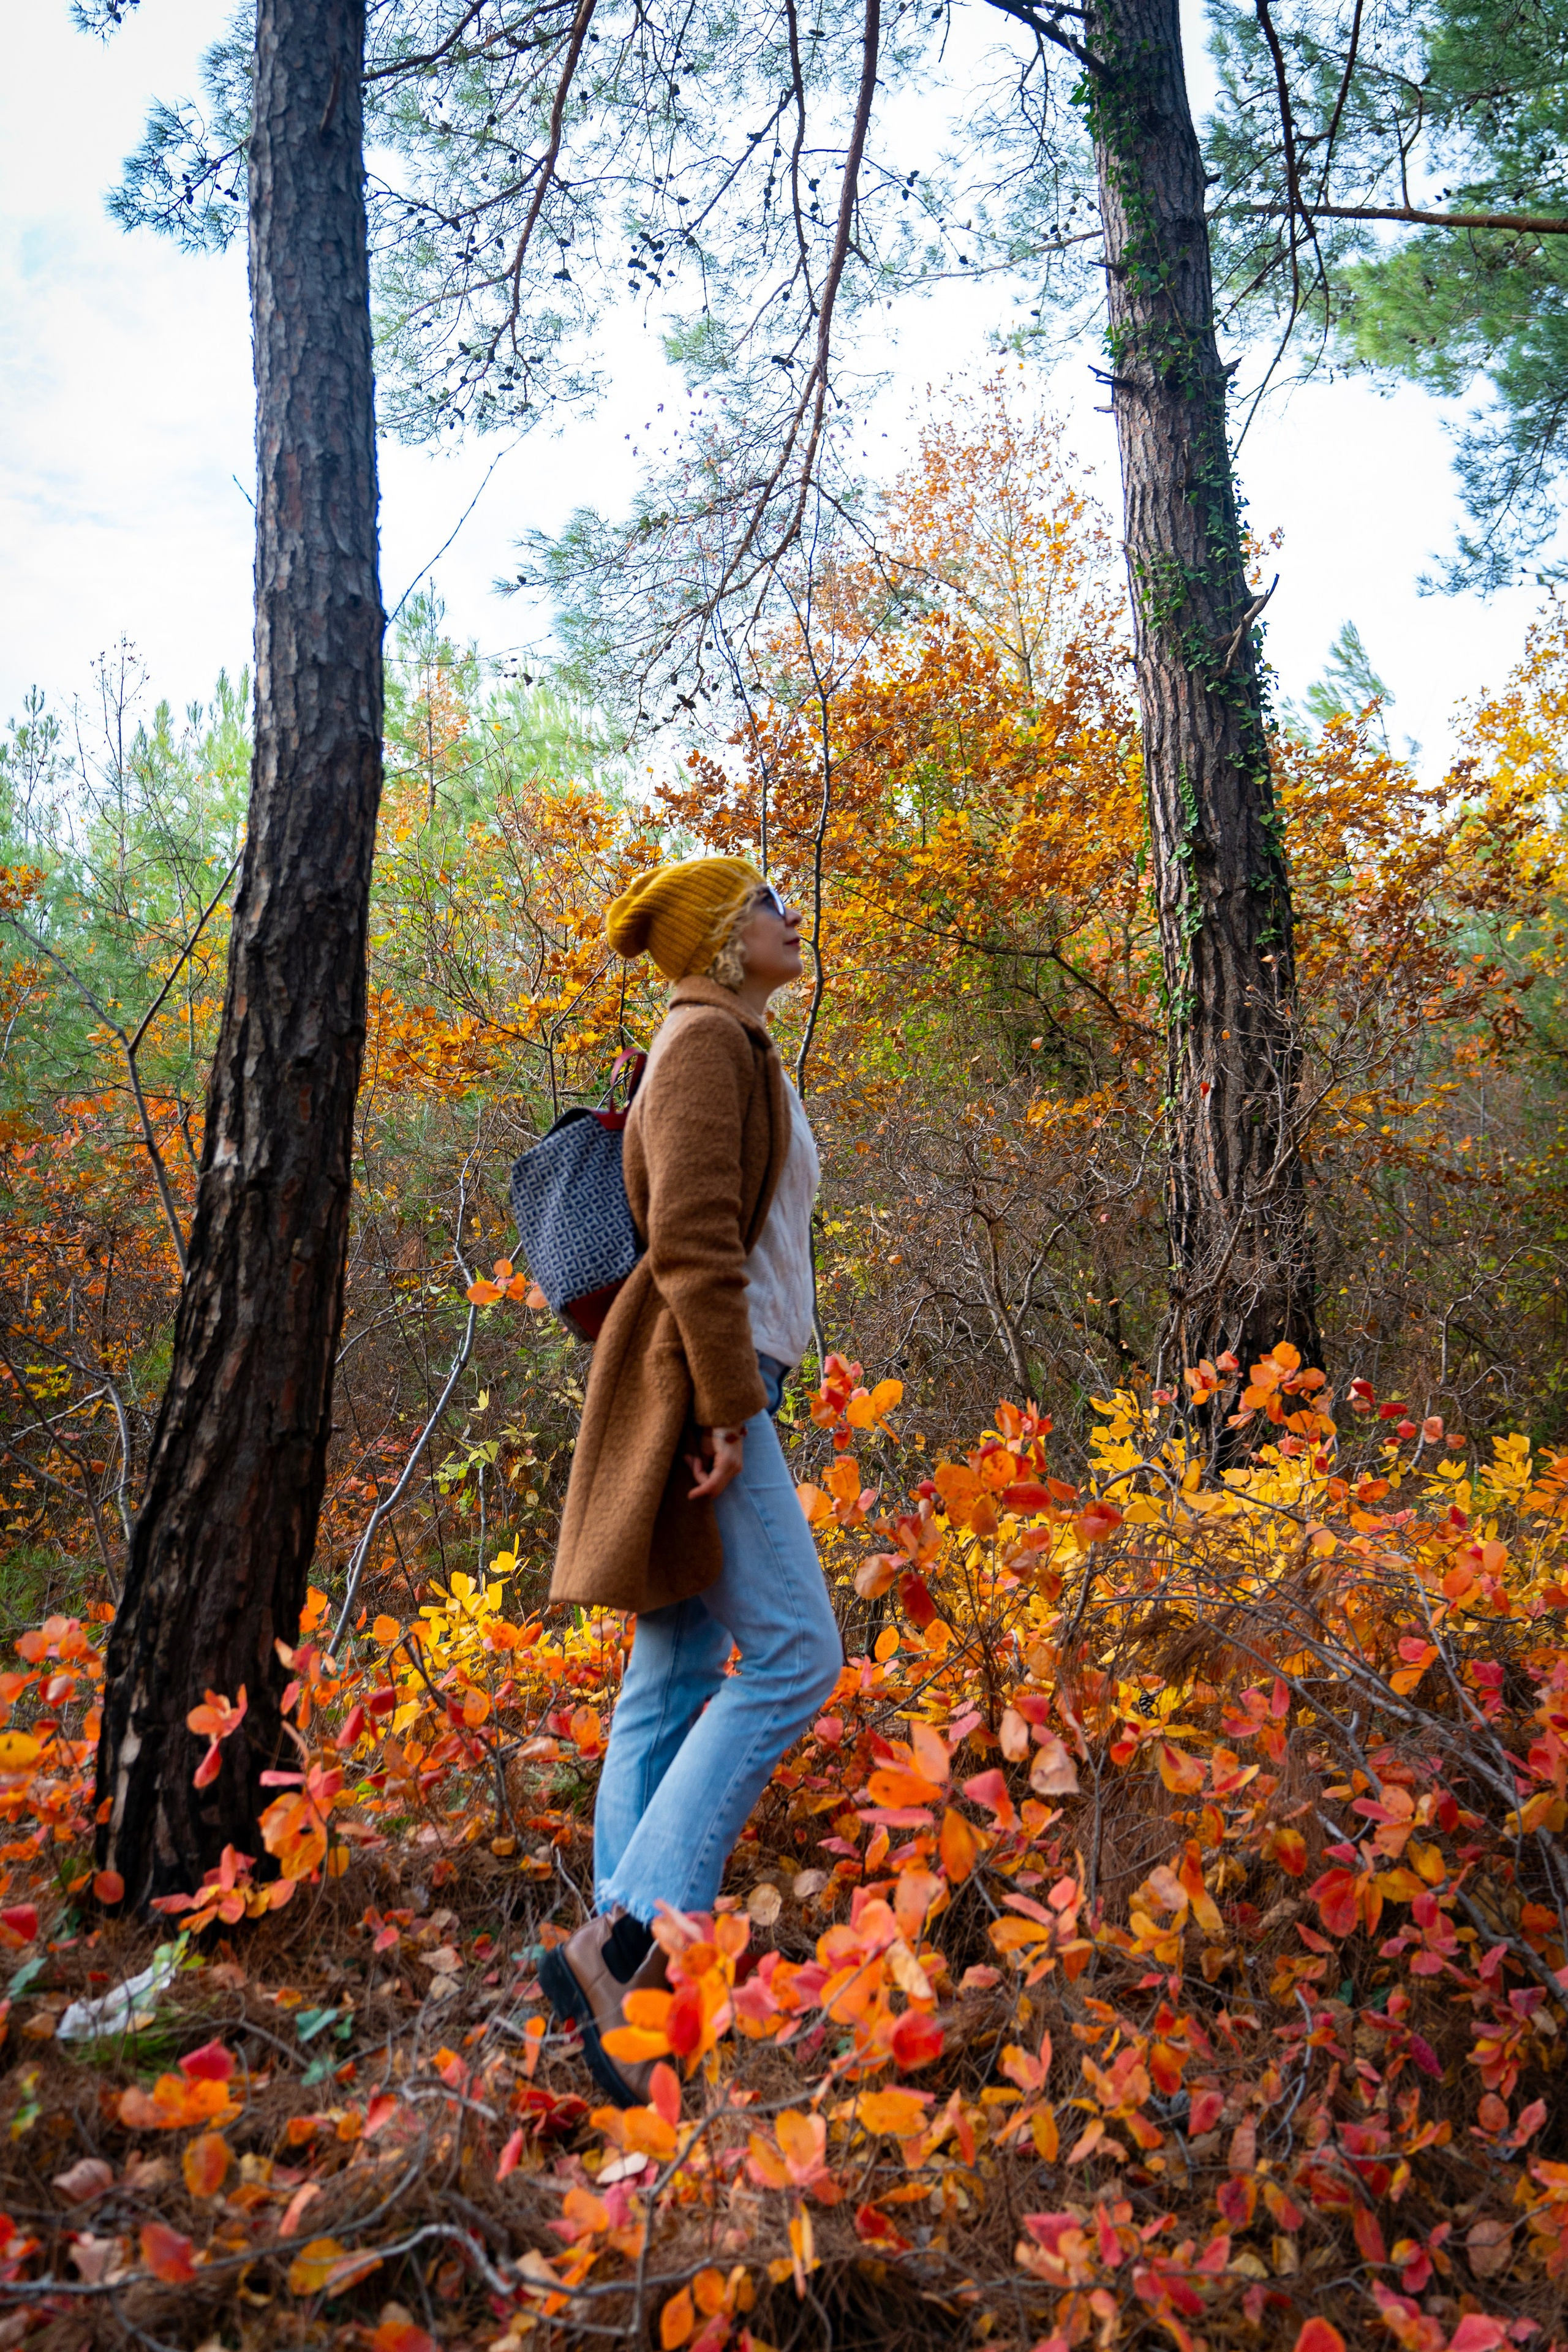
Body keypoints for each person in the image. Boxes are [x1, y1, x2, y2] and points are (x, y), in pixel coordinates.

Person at [537, 855, 842, 2105]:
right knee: (794, 1655)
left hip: (693, 1382)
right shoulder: (708, 1043)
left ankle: (625, 2007)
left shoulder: (723, 1041)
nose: (790, 918)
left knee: (667, 1670)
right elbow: (692, 1240)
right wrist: (727, 1408)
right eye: (769, 905)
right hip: (697, 1386)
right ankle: (629, 1943)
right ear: (725, 938)